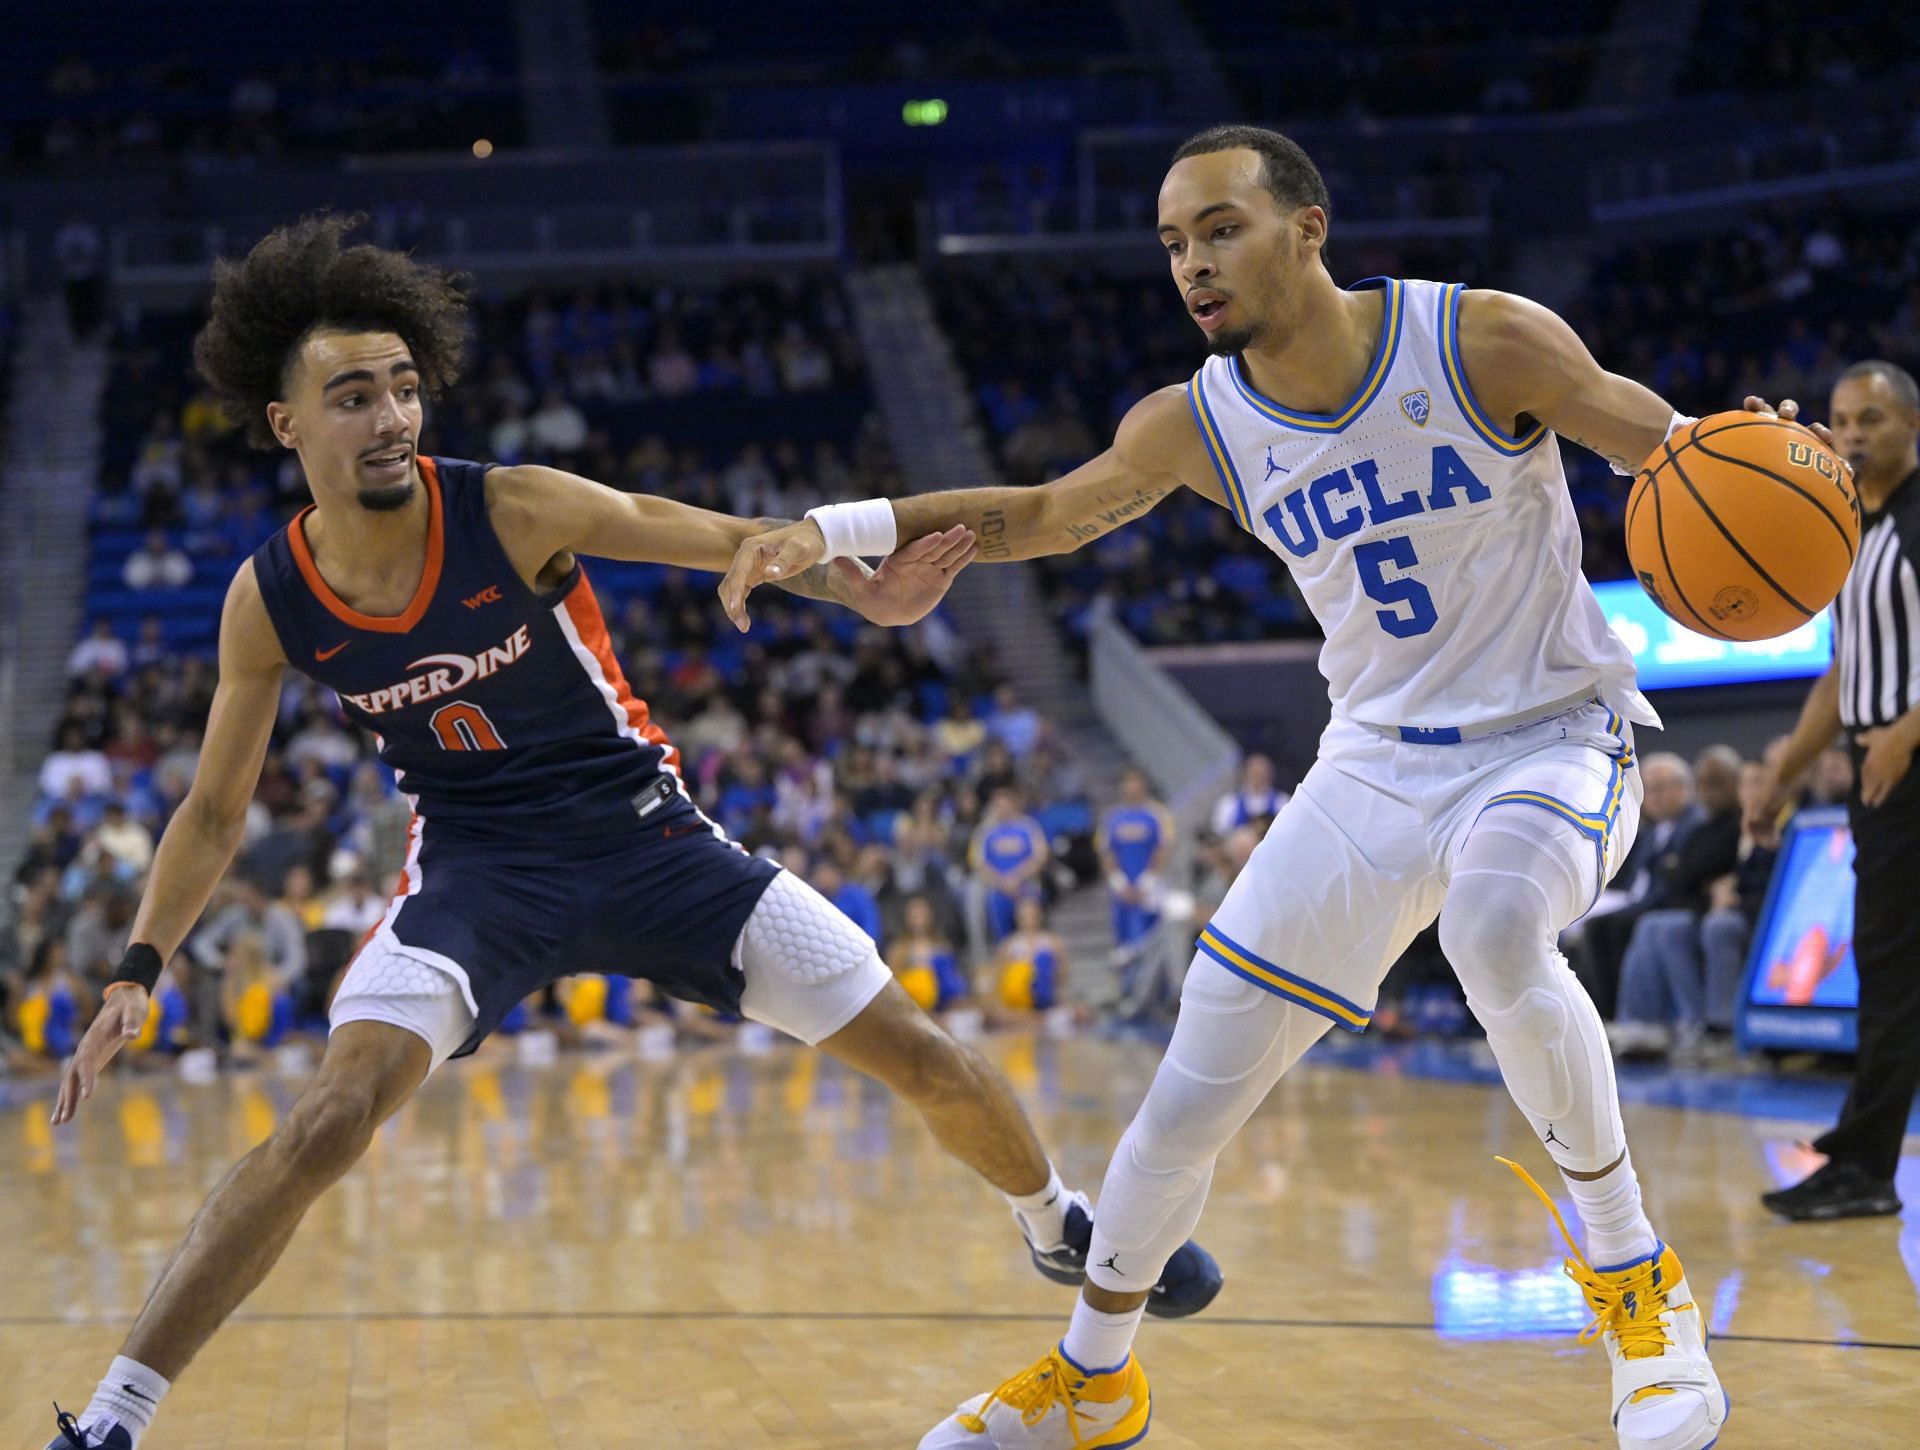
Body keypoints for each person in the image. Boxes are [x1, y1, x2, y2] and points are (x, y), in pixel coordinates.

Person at [39, 217, 1218, 1450]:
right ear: (287, 424)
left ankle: (1053, 1220)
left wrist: (855, 588)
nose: (390, 416)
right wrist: (138, 968)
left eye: (402, 387)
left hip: (647, 837)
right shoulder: (268, 597)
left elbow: (715, 537)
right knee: (329, 1117)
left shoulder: (512, 506)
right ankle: (115, 1420)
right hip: (477, 873)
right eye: (351, 396)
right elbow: (216, 810)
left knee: (918, 1049)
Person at [721, 125, 1813, 1449]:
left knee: (1494, 927)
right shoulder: (1199, 420)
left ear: (1309, 226)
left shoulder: (1483, 341)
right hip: (1369, 763)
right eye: (1174, 243)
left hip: (1552, 736)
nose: (1192, 262)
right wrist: (852, 533)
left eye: (1220, 227)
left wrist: (1780, 463)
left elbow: (1676, 449)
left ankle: (1643, 1296)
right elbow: (1051, 512)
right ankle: (1093, 1379)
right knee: (1190, 1085)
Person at [1750, 359, 1920, 1223]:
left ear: (1911, 427)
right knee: (1889, 968)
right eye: (1842, 418)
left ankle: (1864, 1165)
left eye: (1871, 419)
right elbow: (1842, 671)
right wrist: (1779, 776)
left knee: (1892, 972)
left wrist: (1907, 727)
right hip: (1879, 765)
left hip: (1909, 758)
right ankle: (1863, 1156)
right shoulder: (1853, 531)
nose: (1852, 433)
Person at [1098, 767, 1174, 948]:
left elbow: (1163, 848)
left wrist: (1148, 880)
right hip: (1123, 887)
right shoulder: (1112, 818)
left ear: (1143, 785)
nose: (1131, 788)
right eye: (1127, 783)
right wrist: (1118, 881)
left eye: (1135, 783)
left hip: (1150, 885)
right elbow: (1106, 851)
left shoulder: (1157, 814)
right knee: (1124, 936)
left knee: (1152, 935)